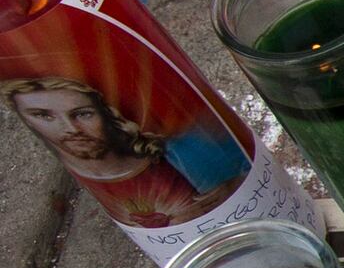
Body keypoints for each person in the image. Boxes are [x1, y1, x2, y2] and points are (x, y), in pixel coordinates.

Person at [3, 76, 236, 229]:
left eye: (83, 114)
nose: (71, 129)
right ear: (28, 122)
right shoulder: (103, 187)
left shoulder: (177, 150)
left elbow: (238, 170)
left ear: (106, 115)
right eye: (44, 115)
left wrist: (230, 185)